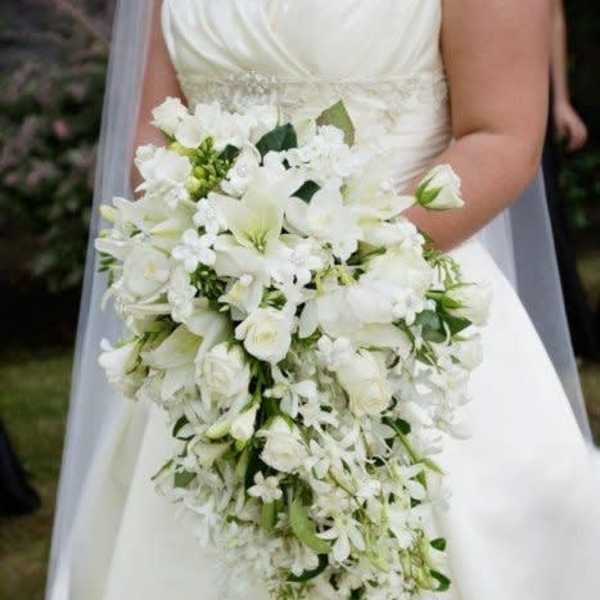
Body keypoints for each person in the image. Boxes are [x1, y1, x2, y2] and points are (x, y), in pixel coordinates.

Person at [47, 1, 600, 599]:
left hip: (404, 309)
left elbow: (499, 136)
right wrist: (215, 266)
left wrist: (325, 274)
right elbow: (155, 134)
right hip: (220, 329)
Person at [543, 0, 599, 360]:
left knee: (547, 211)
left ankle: (563, 332)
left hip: (530, 86)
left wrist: (560, 101)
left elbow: (553, 14)